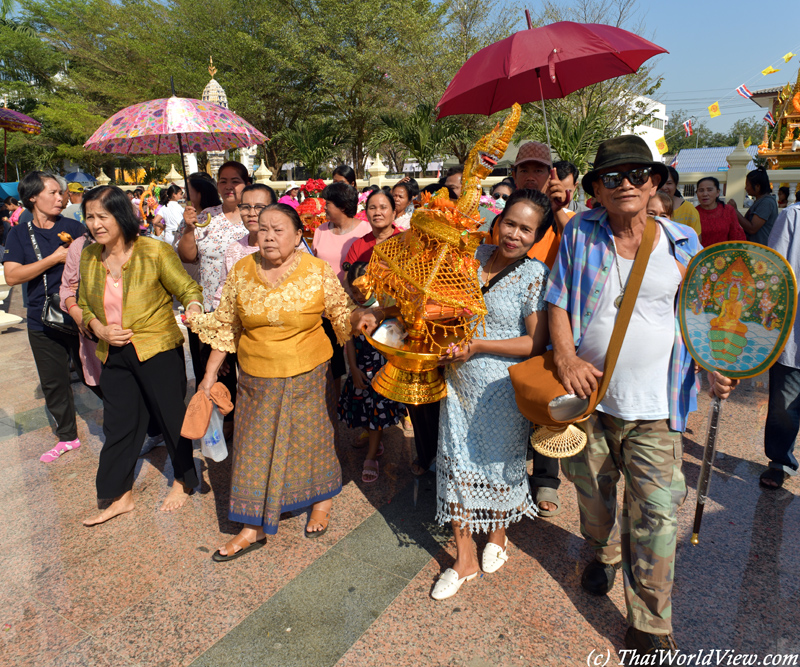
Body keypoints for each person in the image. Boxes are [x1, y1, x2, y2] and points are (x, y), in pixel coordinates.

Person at [545, 135, 736, 653]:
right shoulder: (580, 236)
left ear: (654, 184)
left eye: (636, 175)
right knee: (594, 494)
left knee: (656, 514)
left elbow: (704, 319)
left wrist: (715, 365)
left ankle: (650, 622)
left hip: (658, 405)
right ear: (597, 192)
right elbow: (556, 302)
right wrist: (565, 358)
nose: (625, 184)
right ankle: (602, 552)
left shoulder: (682, 245)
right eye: (612, 178)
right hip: (591, 400)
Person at [188, 203, 376, 559]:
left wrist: (359, 319)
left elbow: (341, 312)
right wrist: (209, 375)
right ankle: (252, 527)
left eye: (279, 230)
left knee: (312, 442)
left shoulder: (317, 271)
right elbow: (228, 326)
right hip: (256, 379)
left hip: (309, 374)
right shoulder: (242, 271)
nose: (269, 236)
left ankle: (321, 500)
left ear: (298, 235)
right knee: (252, 452)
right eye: (264, 229)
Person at [431, 189, 551, 600]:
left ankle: (498, 534)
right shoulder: (473, 257)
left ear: (537, 237)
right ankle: (464, 558)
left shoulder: (534, 275)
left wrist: (479, 345)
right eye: (510, 223)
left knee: (497, 466)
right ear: (498, 221)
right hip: (458, 381)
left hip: (501, 389)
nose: (514, 234)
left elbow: (534, 343)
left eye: (526, 229)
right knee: (456, 464)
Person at [77, 185, 203, 525]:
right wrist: (97, 328)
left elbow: (188, 288)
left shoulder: (153, 250)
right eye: (89, 216)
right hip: (113, 350)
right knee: (118, 424)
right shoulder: (91, 256)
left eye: (102, 216)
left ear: (121, 215)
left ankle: (183, 480)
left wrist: (193, 305)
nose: (95, 224)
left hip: (156, 347)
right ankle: (120, 495)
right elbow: (84, 302)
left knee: (171, 418)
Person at [2, 171, 88, 462]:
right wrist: (54, 259)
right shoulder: (19, 233)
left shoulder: (75, 227)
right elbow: (12, 275)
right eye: (52, 192)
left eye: (60, 192)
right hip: (42, 319)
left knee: (95, 375)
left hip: (78, 315)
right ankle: (67, 437)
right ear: (32, 197)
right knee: (54, 381)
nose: (59, 197)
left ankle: (125, 423)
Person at [176, 161, 249, 418]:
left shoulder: (255, 218)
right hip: (210, 308)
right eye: (223, 181)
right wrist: (189, 228)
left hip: (245, 311)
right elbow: (188, 256)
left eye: (235, 181)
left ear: (246, 184)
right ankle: (226, 419)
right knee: (218, 372)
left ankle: (250, 420)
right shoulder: (206, 216)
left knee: (248, 369)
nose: (229, 187)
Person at [338, 261, 406, 483]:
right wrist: (354, 369)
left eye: (363, 290)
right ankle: (374, 442)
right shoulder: (349, 309)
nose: (359, 295)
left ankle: (371, 455)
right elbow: (349, 341)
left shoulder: (384, 306)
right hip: (360, 368)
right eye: (355, 290)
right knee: (366, 411)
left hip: (381, 370)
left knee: (376, 412)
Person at [761, 198, 800, 489]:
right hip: (794, 328)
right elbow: (772, 270)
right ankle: (780, 461)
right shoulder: (792, 217)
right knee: (784, 404)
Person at [212, 183, 277, 309]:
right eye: (246, 207)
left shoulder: (289, 247)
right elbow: (224, 292)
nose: (251, 213)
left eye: (259, 207)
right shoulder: (234, 249)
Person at [510, 141, 571, 233]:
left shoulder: (568, 218)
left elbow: (575, 243)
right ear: (514, 176)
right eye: (524, 171)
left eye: (538, 171)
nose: (530, 178)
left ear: (551, 176)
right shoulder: (502, 220)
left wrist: (557, 211)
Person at [345, 190, 402, 265]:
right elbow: (348, 276)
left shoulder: (405, 242)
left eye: (383, 207)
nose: (377, 213)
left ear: (393, 213)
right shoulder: (358, 246)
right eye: (372, 208)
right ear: (366, 213)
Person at [729, 167, 779, 245]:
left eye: (748, 185)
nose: (746, 188)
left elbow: (752, 228)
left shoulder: (766, 203)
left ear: (757, 186)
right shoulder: (760, 201)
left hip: (761, 249)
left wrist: (735, 211)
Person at [695, 176, 745, 246]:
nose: (705, 194)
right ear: (697, 193)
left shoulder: (728, 210)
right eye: (701, 190)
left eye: (709, 190)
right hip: (701, 255)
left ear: (718, 192)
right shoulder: (693, 213)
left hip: (725, 255)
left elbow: (736, 236)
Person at [659, 166, 701, 240]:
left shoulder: (688, 209)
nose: (664, 187)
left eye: (669, 183)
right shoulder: (645, 206)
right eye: (661, 183)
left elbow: (696, 240)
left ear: (676, 184)